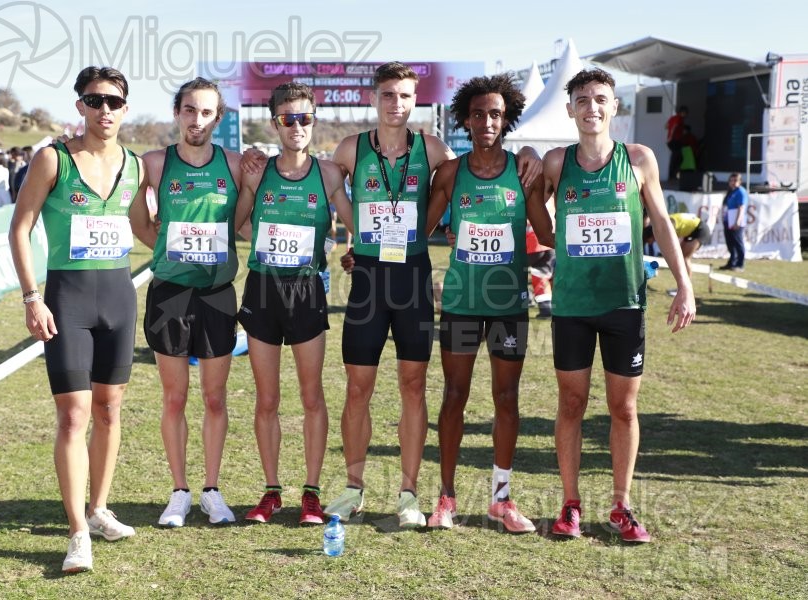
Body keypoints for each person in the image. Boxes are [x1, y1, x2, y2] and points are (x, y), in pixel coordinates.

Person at [321, 62, 541, 528]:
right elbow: (319, 181)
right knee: (358, 389)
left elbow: (482, 164)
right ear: (374, 97)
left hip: (414, 282)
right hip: (368, 283)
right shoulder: (348, 149)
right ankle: (352, 488)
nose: (395, 103)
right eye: (387, 95)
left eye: (404, 95)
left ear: (415, 100)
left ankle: (408, 493)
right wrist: (346, 241)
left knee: (414, 387)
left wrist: (528, 153)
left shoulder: (435, 151)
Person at [533, 68, 695, 543]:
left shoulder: (639, 159)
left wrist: (684, 285)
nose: (592, 108)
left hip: (624, 304)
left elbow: (662, 223)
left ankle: (622, 506)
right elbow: (533, 207)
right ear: (569, 110)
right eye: (582, 100)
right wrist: (549, 233)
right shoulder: (557, 162)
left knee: (623, 409)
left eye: (600, 99)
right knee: (571, 403)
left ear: (615, 106)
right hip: (572, 306)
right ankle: (570, 504)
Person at [9, 66, 145, 573]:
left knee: (109, 411)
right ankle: (76, 532)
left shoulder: (135, 165)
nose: (104, 109)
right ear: (80, 106)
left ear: (125, 109)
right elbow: (19, 228)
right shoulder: (53, 158)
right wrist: (31, 297)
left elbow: (145, 227)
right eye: (94, 100)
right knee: (73, 416)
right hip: (66, 298)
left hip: (119, 298)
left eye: (113, 101)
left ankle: (100, 508)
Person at [424, 74, 550, 531]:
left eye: (495, 114)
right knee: (454, 395)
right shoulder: (452, 174)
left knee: (506, 398)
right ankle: (446, 498)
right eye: (478, 114)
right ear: (465, 119)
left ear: (507, 118)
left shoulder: (524, 171)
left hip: (508, 307)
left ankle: (501, 498)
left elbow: (548, 234)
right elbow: (421, 229)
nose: (487, 122)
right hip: (460, 302)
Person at [234, 82, 354, 525]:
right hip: (262, 292)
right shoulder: (256, 171)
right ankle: (270, 491)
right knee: (266, 399)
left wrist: (356, 248)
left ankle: (311, 492)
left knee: (311, 396)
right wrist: (266, 244)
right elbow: (238, 221)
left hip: (306, 294)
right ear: (275, 123)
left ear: (314, 120)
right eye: (288, 118)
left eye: (305, 117)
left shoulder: (327, 175)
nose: (297, 126)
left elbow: (359, 223)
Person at [128, 77, 242, 528]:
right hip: (170, 295)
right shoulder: (155, 163)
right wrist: (160, 242)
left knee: (215, 399)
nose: (198, 120)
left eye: (207, 112)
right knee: (174, 398)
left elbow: (245, 219)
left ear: (219, 117)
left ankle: (212, 490)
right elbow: (138, 217)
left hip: (216, 295)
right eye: (190, 110)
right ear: (177, 112)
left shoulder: (234, 165)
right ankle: (179, 492)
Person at [643, 212, 711, 279]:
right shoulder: (663, 225)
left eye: (648, 241)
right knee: (681, 257)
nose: (650, 243)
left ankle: (686, 287)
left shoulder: (667, 228)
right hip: (692, 230)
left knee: (685, 258)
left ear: (651, 236)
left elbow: (671, 249)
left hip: (700, 229)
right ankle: (683, 284)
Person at [719, 173, 747, 272]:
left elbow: (741, 207)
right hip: (728, 220)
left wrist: (737, 222)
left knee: (738, 243)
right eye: (731, 180)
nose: (733, 182)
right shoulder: (731, 191)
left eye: (735, 180)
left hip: (736, 221)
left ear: (740, 182)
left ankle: (740, 264)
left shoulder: (741, 192)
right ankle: (732, 262)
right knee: (730, 243)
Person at [665, 105, 687, 182]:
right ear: (683, 112)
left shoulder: (672, 118)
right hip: (675, 141)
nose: (686, 115)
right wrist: (671, 137)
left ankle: (673, 175)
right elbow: (674, 127)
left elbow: (666, 126)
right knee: (677, 158)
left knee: (677, 158)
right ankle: (673, 176)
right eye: (685, 113)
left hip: (673, 141)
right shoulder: (679, 118)